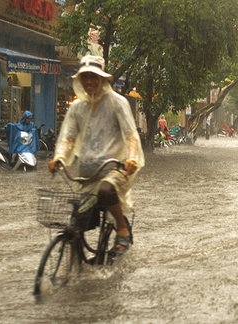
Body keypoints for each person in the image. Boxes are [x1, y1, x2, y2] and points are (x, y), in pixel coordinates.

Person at [48, 55, 144, 254]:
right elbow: (69, 138)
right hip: (87, 173)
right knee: (77, 221)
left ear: (103, 79)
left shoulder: (117, 103)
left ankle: (122, 228)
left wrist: (132, 158)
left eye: (94, 77)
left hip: (115, 170)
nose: (89, 81)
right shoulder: (77, 107)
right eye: (85, 77)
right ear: (79, 80)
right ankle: (76, 263)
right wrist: (59, 158)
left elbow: (131, 135)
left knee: (106, 190)